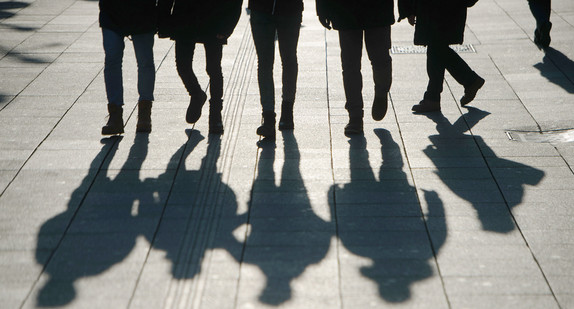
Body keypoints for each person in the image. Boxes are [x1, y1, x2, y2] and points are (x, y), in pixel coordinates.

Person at [158, 0, 243, 135]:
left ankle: (215, 115)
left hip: (215, 18)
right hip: (184, 17)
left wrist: (227, 26)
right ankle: (196, 94)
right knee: (182, 65)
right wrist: (163, 22)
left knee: (213, 68)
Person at [316, 0, 394, 135]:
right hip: (346, 9)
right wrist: (322, 7)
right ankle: (355, 115)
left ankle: (381, 91)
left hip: (378, 9)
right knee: (350, 65)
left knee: (380, 60)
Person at [399, 0, 484, 113]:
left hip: (437, 7)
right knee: (437, 47)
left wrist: (409, 9)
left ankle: (434, 97)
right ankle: (468, 81)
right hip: (444, 7)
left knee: (436, 46)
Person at [99, 0, 157, 135]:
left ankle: (144, 113)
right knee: (112, 59)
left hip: (143, 11)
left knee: (145, 61)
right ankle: (115, 114)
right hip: (111, 12)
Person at [249, 0, 304, 139]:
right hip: (261, 9)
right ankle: (268, 116)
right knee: (265, 63)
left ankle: (287, 110)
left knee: (288, 58)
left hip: (290, 9)